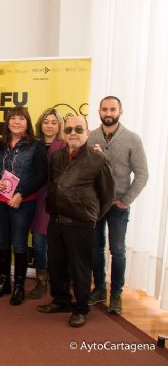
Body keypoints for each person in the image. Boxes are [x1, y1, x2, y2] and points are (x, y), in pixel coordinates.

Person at [38, 116, 115, 327]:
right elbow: (54, 184)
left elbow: (107, 195)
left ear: (87, 133)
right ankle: (61, 300)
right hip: (56, 220)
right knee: (56, 264)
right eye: (69, 129)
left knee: (80, 268)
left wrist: (91, 216)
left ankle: (81, 308)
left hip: (80, 224)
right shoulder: (57, 157)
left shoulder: (98, 160)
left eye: (78, 129)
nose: (73, 133)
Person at [87, 96, 148, 314]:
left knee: (118, 250)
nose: (108, 113)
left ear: (120, 112)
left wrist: (126, 200)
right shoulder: (91, 137)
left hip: (118, 205)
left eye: (112, 109)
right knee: (95, 248)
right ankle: (99, 289)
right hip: (95, 205)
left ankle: (116, 294)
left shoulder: (132, 139)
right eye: (104, 109)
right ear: (99, 111)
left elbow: (142, 174)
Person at [0, 106, 47, 306]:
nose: (16, 122)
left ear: (27, 122)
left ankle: (19, 286)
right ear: (7, 122)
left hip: (23, 202)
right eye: (12, 118)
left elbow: (41, 175)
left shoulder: (36, 145)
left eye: (21, 119)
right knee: (3, 242)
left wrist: (21, 194)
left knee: (19, 244)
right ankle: (4, 282)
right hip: (0, 201)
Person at [28, 108, 66, 299]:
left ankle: (58, 281)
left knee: (57, 243)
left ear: (60, 125)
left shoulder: (65, 145)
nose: (49, 126)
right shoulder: (33, 144)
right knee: (38, 241)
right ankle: (41, 281)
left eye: (53, 122)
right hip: (35, 197)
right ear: (40, 124)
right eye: (46, 122)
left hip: (58, 200)